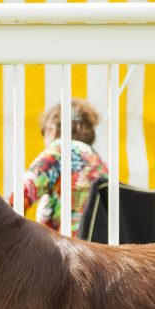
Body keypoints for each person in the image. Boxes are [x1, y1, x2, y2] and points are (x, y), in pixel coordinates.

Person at [18, 98, 108, 234]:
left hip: (65, 251)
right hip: (98, 251)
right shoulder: (99, 164)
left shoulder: (60, 151)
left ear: (52, 129)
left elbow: (21, 195)